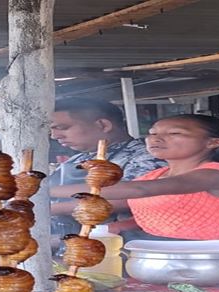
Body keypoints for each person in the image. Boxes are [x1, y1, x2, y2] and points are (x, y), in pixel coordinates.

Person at [51, 114, 219, 242]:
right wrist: (113, 228)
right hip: (151, 254)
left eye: (175, 133)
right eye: (152, 133)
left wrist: (41, 191)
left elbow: (139, 191)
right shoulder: (155, 174)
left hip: (210, 261)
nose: (156, 138)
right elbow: (155, 214)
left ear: (214, 142)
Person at [49, 98, 165, 235]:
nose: (54, 136)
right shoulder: (78, 158)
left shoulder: (146, 157)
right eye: (51, 129)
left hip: (113, 241)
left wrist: (47, 209)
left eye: (62, 128)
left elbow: (128, 199)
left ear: (103, 125)